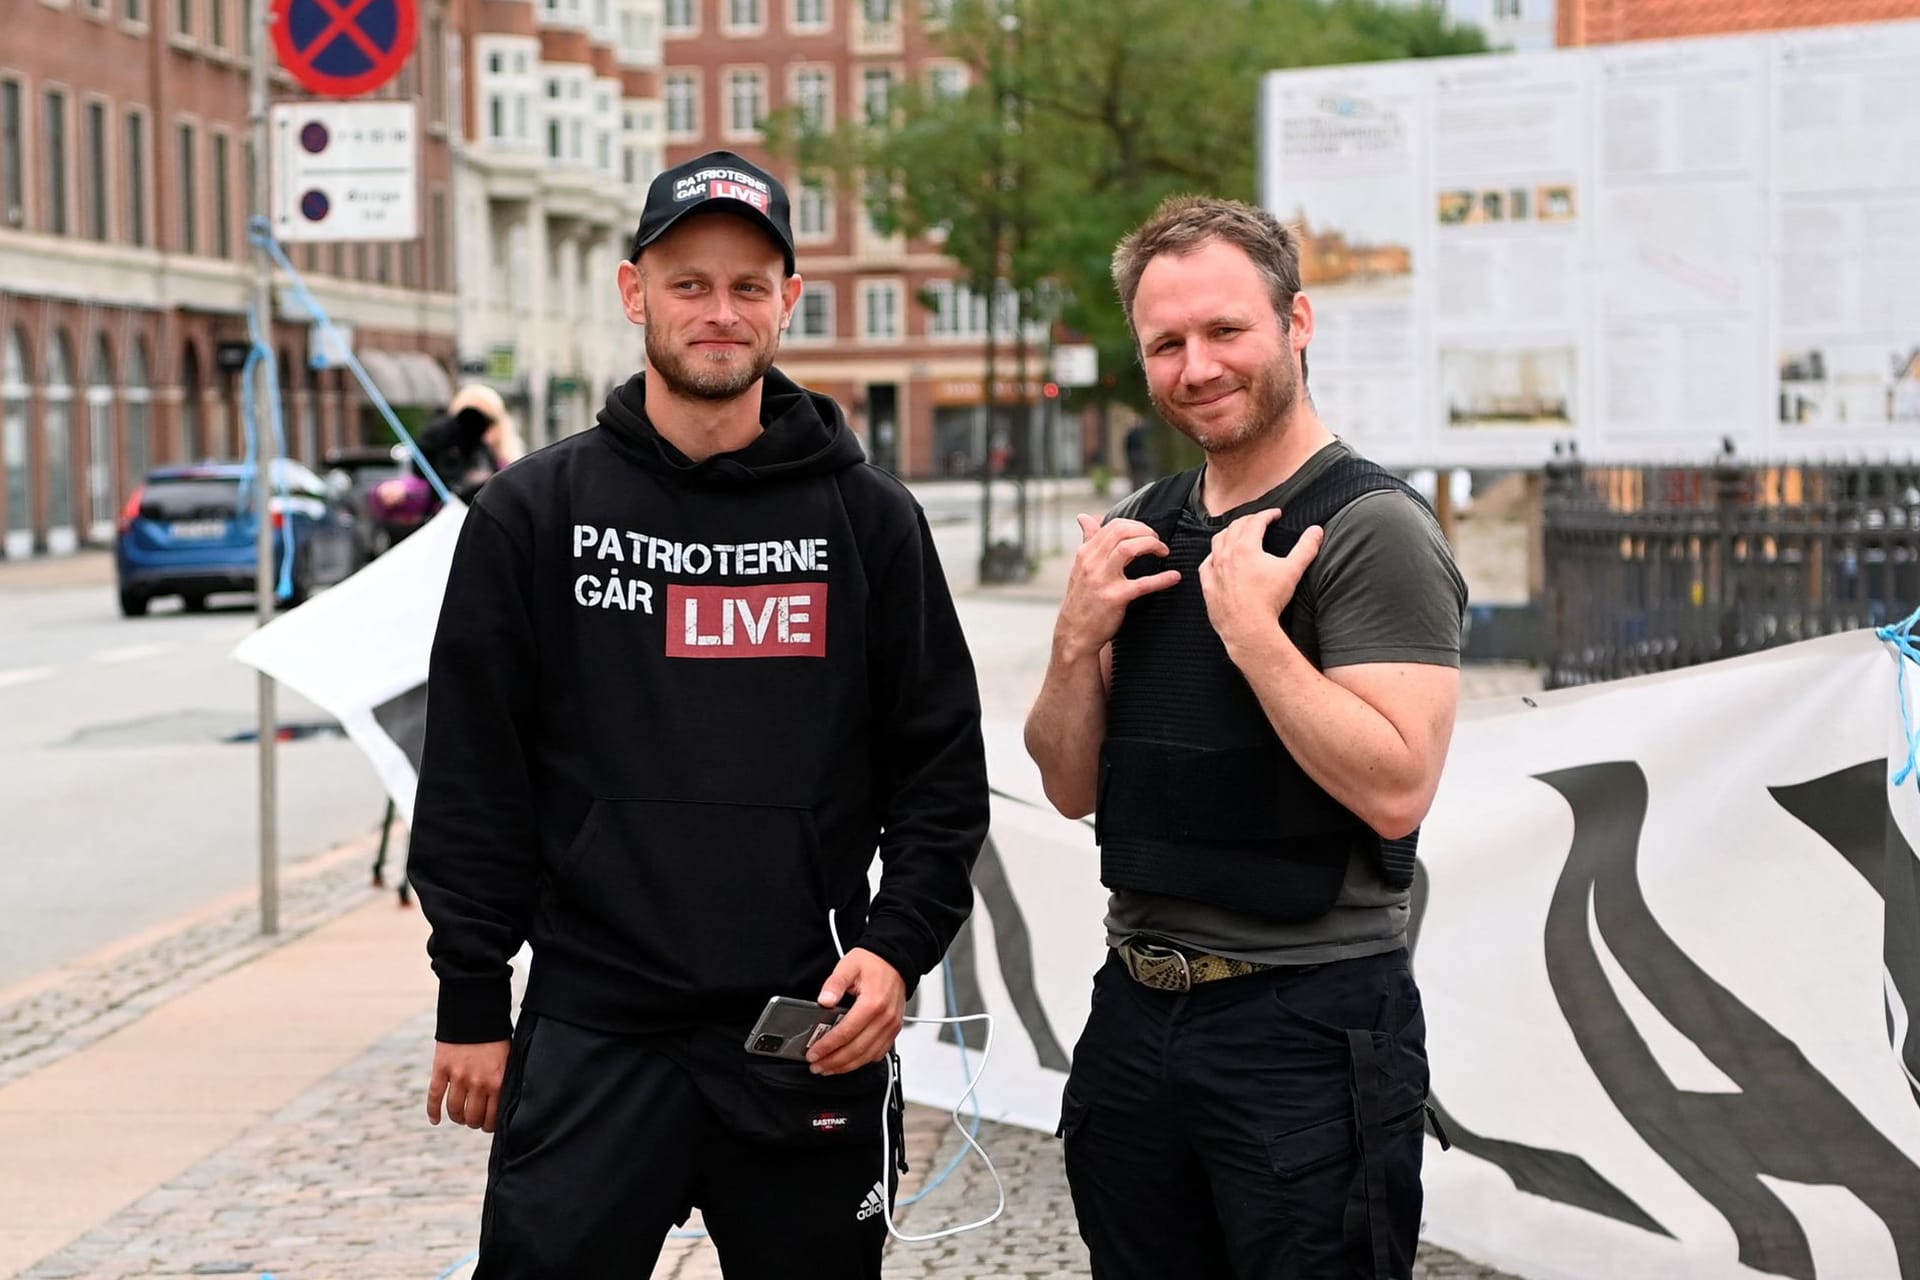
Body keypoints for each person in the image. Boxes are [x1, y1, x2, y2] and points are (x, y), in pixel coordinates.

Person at [407, 149, 989, 1279]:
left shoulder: (868, 522)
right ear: (634, 293)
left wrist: (895, 947)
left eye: (747, 285)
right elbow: (474, 770)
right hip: (593, 1025)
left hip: (803, 1025)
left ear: (788, 303)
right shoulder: (535, 514)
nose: (719, 312)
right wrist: (472, 990)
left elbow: (938, 768)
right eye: (688, 283)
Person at [1023, 194, 1466, 1279]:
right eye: (1166, 342)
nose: (1197, 365)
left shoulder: (1371, 527)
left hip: (1304, 1025)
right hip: (1136, 1005)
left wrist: (1253, 633)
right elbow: (1071, 784)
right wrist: (1076, 640)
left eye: (1226, 330)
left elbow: (1398, 785)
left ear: (1297, 322)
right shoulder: (1149, 516)